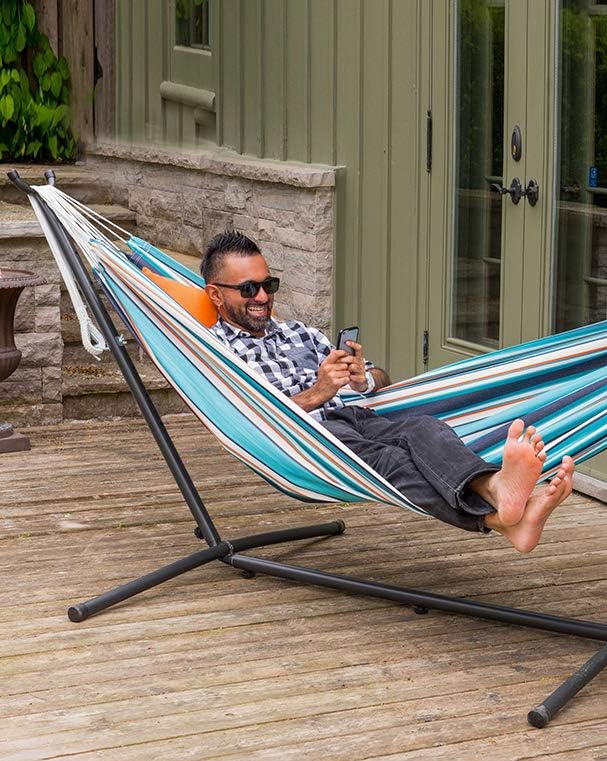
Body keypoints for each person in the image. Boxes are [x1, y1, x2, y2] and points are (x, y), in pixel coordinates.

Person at [201, 230, 575, 552]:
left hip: (353, 416)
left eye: (268, 285)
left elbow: (382, 380)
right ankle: (496, 517)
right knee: (392, 462)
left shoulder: (300, 333)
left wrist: (362, 378)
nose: (262, 297)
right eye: (248, 288)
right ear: (216, 295)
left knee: (424, 427)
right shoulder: (216, 352)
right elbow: (245, 419)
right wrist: (318, 392)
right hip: (305, 438)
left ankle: (495, 490)